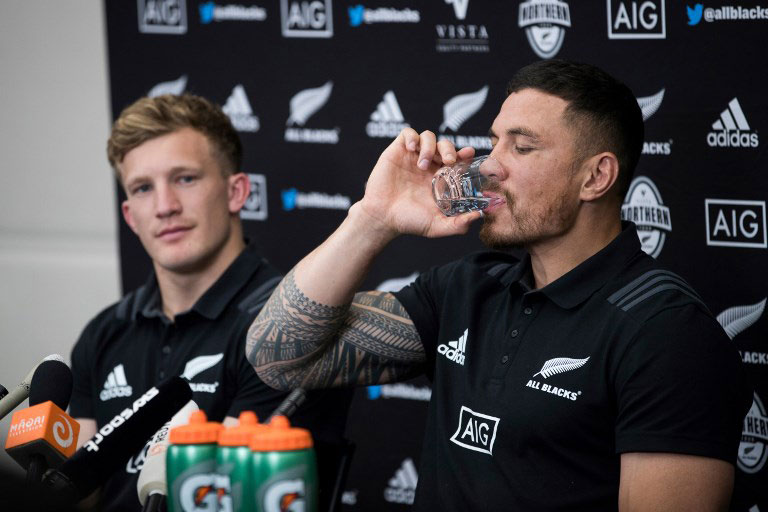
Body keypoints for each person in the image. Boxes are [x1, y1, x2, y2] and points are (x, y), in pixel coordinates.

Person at [246, 60, 752, 511]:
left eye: (522, 146)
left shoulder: (666, 332)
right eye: (493, 142)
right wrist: (373, 219)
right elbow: (278, 357)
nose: (488, 165)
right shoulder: (470, 286)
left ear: (595, 178)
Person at [69, 94, 352, 511]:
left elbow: (232, 500)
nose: (165, 207)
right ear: (130, 217)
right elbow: (78, 493)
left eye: (185, 178)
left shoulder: (286, 329)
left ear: (237, 192)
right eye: (143, 188)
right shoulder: (104, 331)